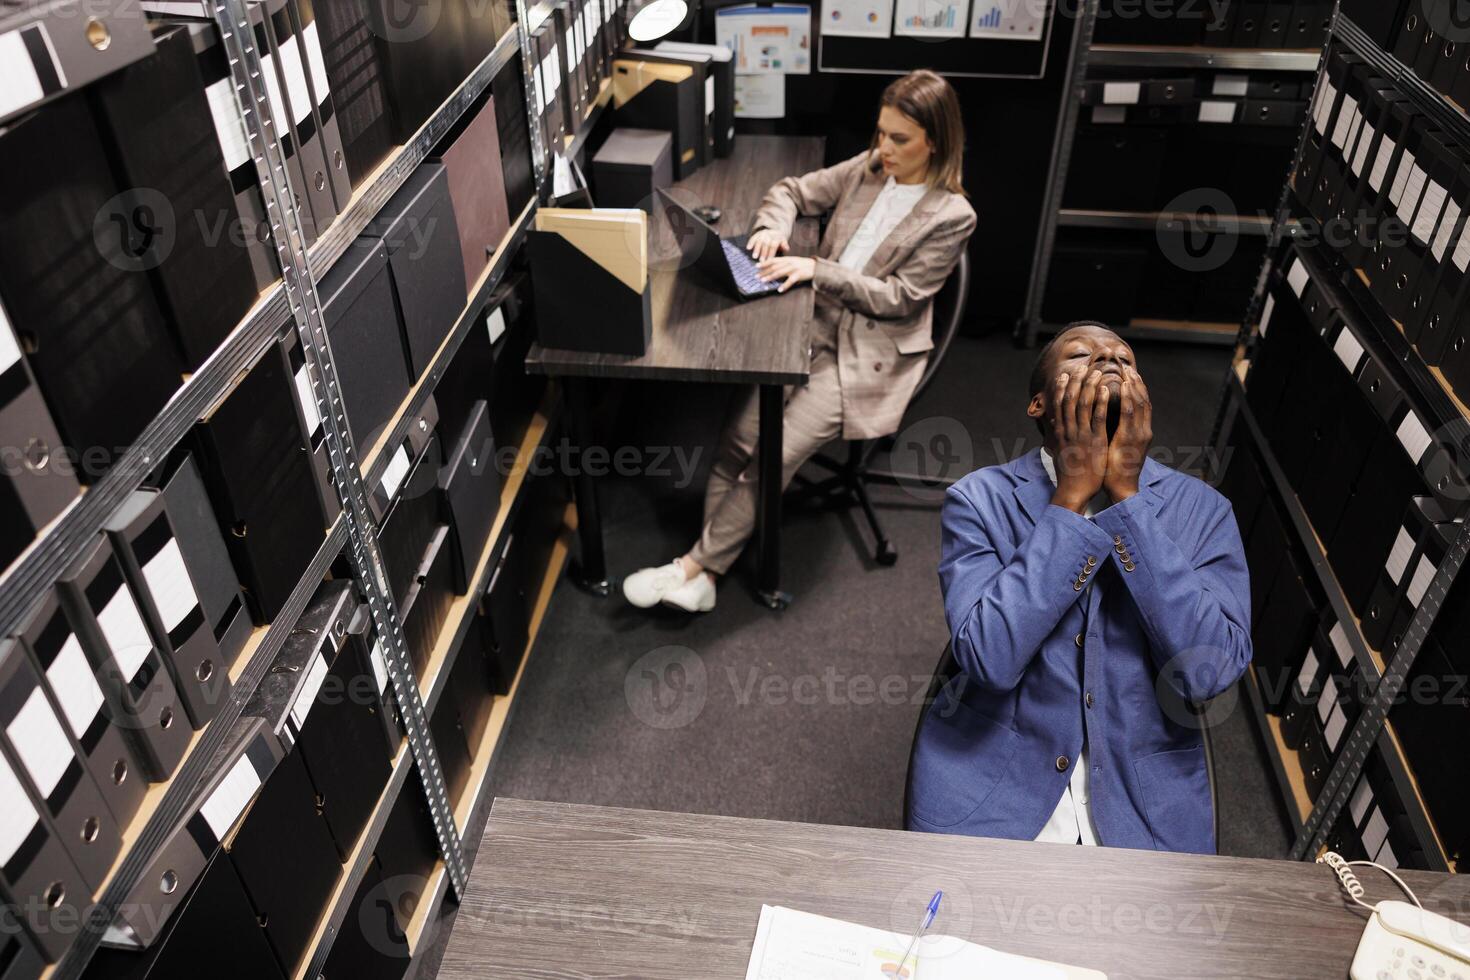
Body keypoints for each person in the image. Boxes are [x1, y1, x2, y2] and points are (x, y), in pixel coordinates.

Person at [623, 68, 977, 613]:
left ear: (935, 140)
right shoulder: (869, 167)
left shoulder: (953, 215)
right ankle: (707, 577)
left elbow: (900, 298)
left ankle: (691, 565)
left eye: (899, 138)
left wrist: (818, 268)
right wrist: (771, 226)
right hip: (810, 324)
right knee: (737, 442)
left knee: (773, 455)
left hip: (868, 353)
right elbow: (791, 190)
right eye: (880, 133)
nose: (883, 148)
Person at [905, 322, 1252, 853]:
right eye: (1082, 353)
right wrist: (1070, 499)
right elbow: (989, 657)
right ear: (1039, 404)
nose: (1109, 360)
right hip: (992, 793)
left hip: (1145, 813)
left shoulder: (1204, 511)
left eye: (1125, 358)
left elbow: (1207, 673)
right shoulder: (979, 500)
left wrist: (1127, 503)